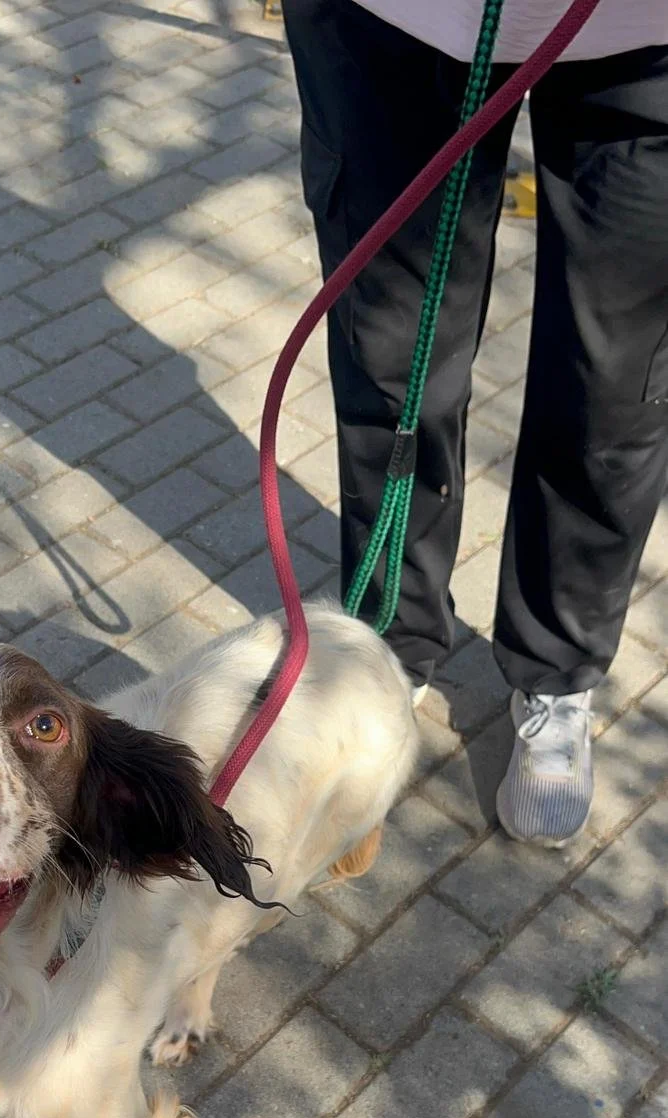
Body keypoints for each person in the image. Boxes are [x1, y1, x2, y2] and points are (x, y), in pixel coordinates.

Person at [282, 0, 668, 847]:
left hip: (648, 42)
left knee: (617, 391)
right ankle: (388, 643)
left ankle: (558, 669)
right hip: (397, 18)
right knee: (391, 367)